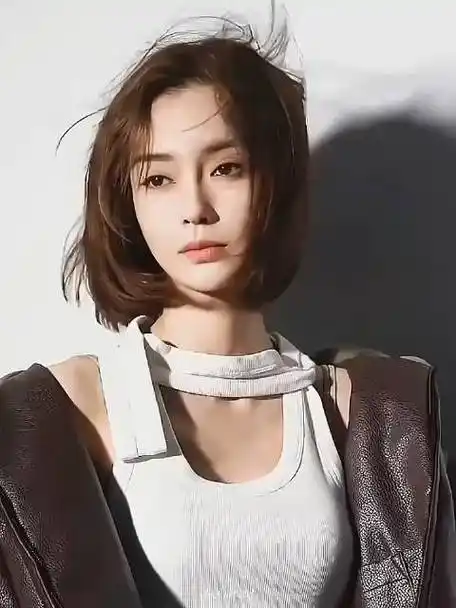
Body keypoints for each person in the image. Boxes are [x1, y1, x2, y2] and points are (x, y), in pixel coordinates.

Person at [0, 12, 454, 608]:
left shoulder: (356, 410)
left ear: (275, 183)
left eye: (225, 168)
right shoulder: (68, 407)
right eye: (158, 179)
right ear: (128, 203)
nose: (195, 207)